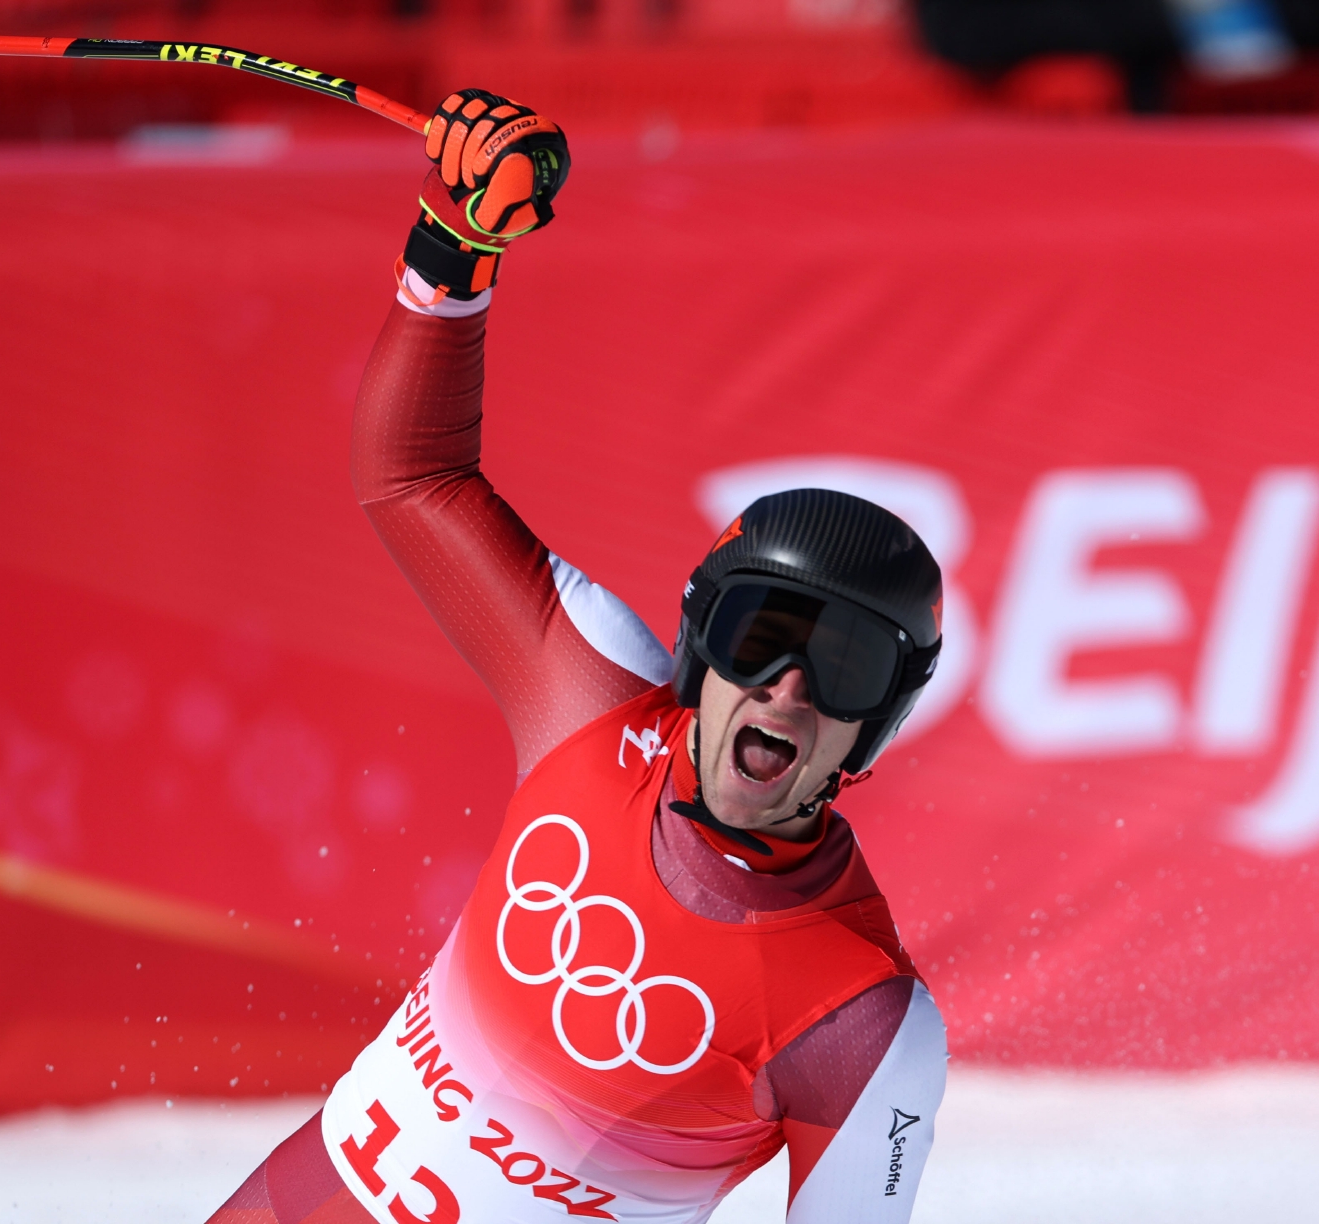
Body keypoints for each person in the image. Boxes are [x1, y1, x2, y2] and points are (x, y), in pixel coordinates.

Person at [206, 90, 949, 1224]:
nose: (786, 691)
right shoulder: (587, 695)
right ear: (700, 648)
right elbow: (411, 480)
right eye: (760, 641)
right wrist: (455, 240)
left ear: (874, 727)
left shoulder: (860, 1020)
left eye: (839, 672)